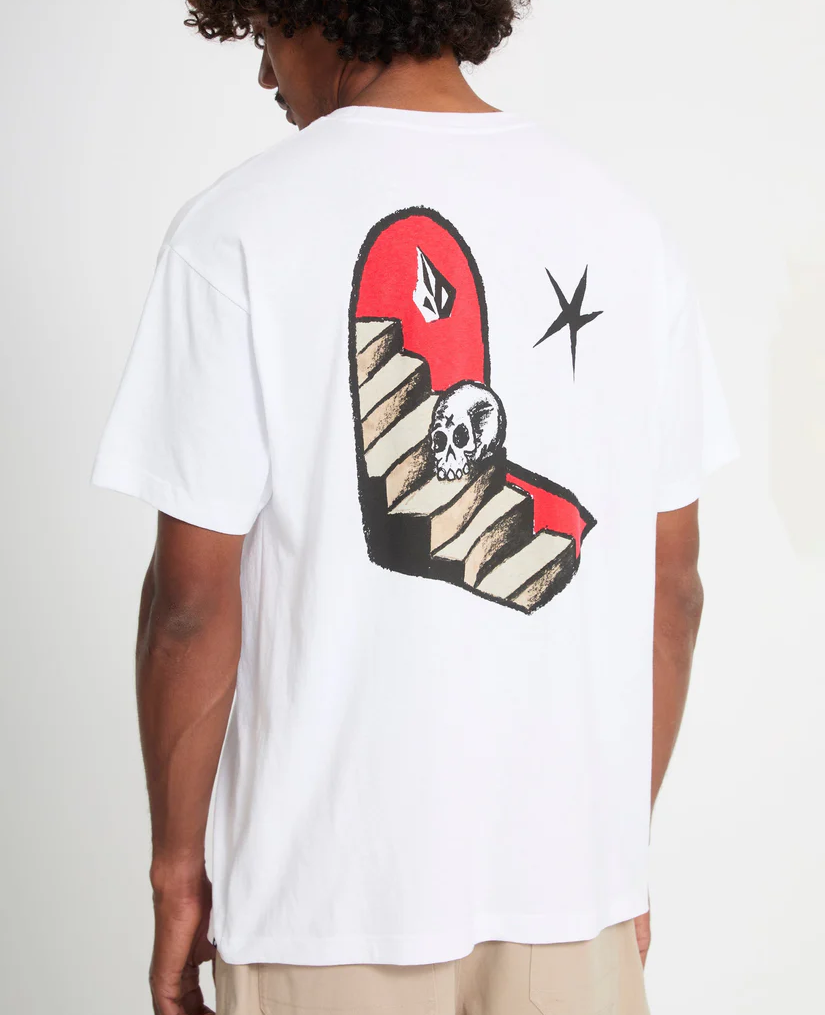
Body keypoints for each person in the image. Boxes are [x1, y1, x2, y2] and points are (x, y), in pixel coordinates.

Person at [92, 2, 737, 1013]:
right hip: (567, 892)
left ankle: (434, 471)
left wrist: (177, 873)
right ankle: (447, 469)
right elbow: (673, 589)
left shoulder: (237, 230)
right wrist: (614, 853)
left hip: (323, 900)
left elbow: (190, 606)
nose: (264, 76)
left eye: (263, 36)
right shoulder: (627, 227)